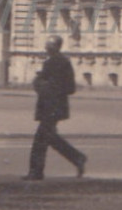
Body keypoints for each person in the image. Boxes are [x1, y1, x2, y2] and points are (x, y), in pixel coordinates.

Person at [26, 35, 86, 180]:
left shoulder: (57, 63)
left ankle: (36, 172)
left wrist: (42, 84)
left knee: (40, 139)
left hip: (51, 107)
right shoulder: (57, 62)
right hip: (52, 107)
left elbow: (67, 87)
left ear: (54, 47)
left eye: (48, 45)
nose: (46, 47)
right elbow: (67, 87)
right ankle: (77, 158)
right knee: (50, 138)